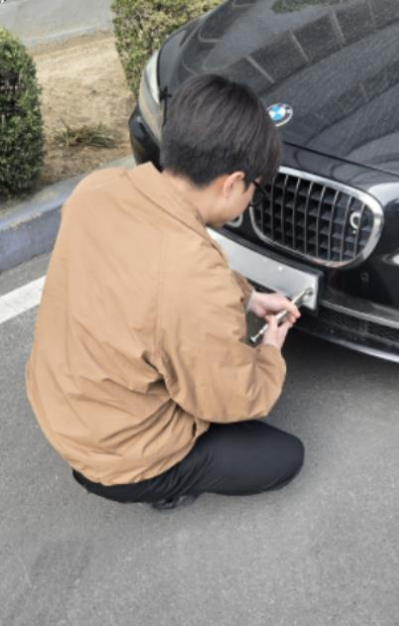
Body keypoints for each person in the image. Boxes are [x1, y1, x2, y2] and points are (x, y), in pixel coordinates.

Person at [25, 74, 305, 511]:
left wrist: (247, 298)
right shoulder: (192, 279)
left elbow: (149, 275)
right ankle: (164, 485)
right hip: (120, 459)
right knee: (283, 458)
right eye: (256, 189)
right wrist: (269, 351)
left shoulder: (97, 189)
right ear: (232, 183)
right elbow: (235, 397)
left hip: (60, 407)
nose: (251, 198)